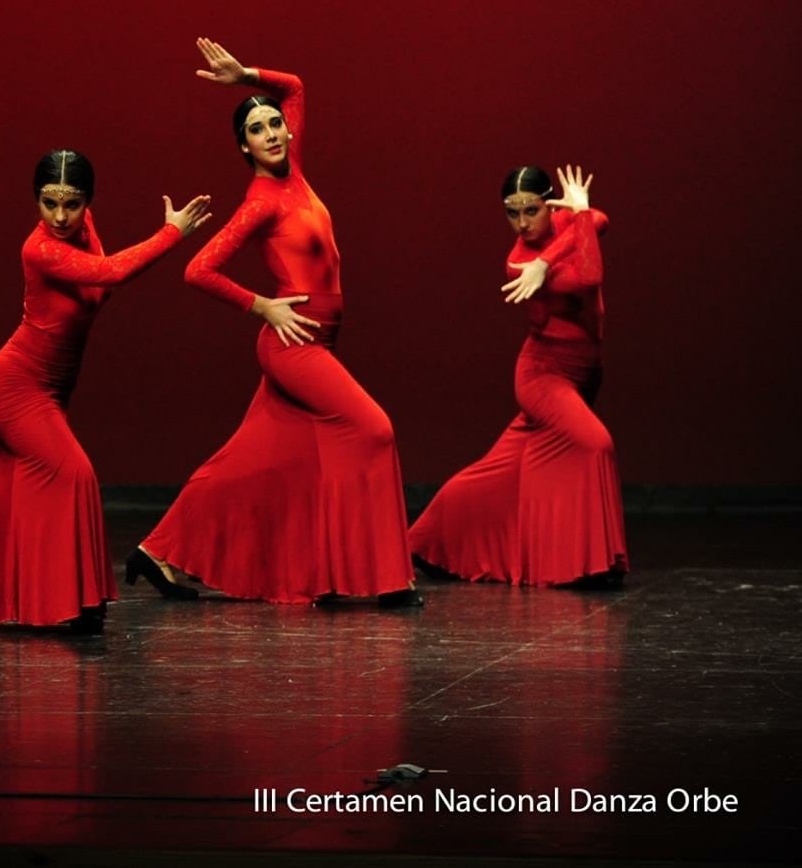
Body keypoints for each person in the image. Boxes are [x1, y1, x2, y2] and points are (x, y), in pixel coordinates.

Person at [133, 39, 417, 606]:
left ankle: (157, 550)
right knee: (375, 430)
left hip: (319, 342)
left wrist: (245, 77)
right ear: (245, 146)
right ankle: (389, 580)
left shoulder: (297, 171)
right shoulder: (261, 201)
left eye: (274, 124)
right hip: (294, 347)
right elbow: (198, 269)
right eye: (257, 129)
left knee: (251, 460)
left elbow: (295, 88)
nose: (271, 132)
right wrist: (260, 305)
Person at [0, 150, 210, 630]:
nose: (61, 216)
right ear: (37, 201)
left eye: (72, 203)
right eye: (50, 204)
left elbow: (100, 287)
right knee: (75, 474)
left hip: (49, 390)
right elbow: (110, 273)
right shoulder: (40, 248)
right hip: (16, 385)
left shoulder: (84, 229)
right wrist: (171, 234)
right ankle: (72, 604)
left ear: (87, 201)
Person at [408, 166, 626, 587]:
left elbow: (599, 220)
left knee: (503, 471)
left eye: (532, 210)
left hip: (584, 373)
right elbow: (588, 276)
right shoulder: (518, 261)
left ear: (552, 205)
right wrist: (546, 259)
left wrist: (577, 216)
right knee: (595, 443)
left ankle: (428, 541)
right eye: (512, 214)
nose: (523, 223)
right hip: (543, 376)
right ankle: (590, 565)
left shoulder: (567, 223)